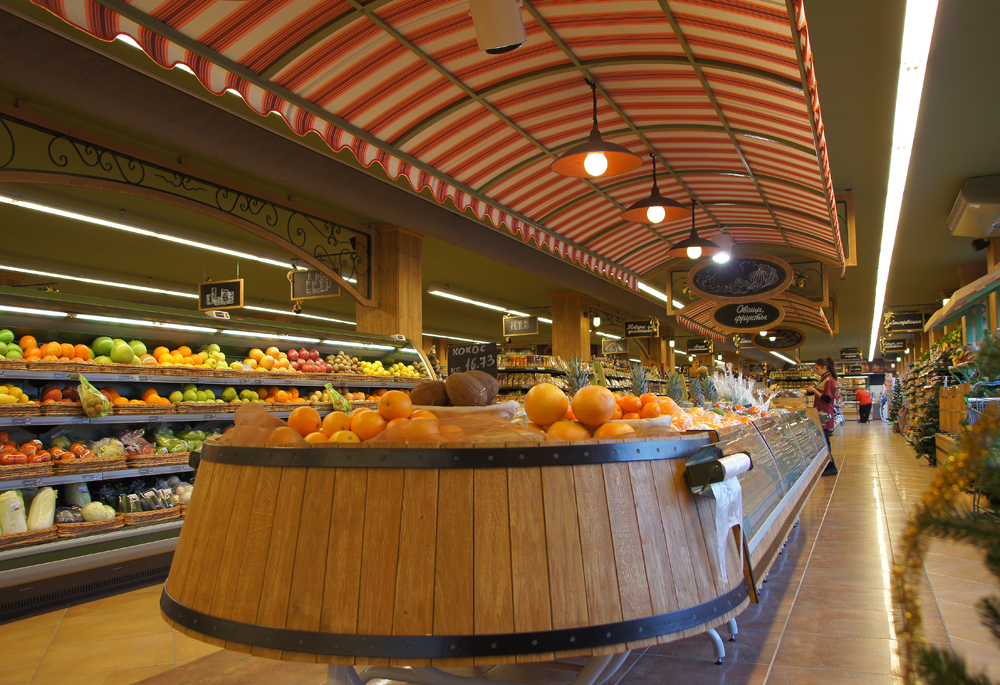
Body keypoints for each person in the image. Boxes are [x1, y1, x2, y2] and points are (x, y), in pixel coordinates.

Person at [803, 357, 838, 476]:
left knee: (825, 440)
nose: (816, 371)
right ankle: (828, 464)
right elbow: (819, 392)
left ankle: (831, 465)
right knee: (823, 439)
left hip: (824, 413)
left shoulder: (829, 380)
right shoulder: (824, 378)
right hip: (820, 413)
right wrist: (807, 391)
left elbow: (827, 398)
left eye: (817, 368)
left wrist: (814, 390)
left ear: (824, 367)